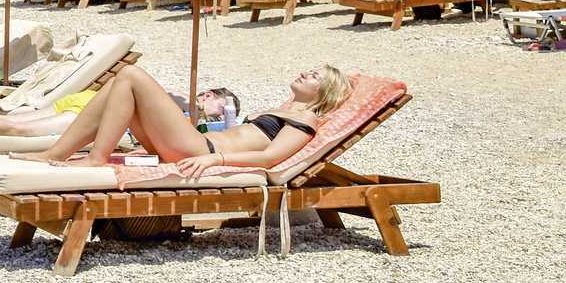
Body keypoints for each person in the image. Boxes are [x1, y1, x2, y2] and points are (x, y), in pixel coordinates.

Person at [26, 64, 349, 172]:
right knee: (117, 84)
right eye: (311, 69)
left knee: (131, 75)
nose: (308, 72)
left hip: (200, 152)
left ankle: (95, 158)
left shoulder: (306, 120)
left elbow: (270, 158)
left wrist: (214, 161)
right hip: (191, 145)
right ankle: (58, 153)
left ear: (327, 92)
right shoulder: (284, 109)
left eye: (317, 76)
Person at [0, 84, 240, 141]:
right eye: (220, 107)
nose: (217, 114)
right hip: (99, 111)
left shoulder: (172, 96)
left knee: (12, 121)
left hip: (87, 99)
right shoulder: (182, 108)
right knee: (17, 131)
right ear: (207, 95)